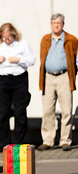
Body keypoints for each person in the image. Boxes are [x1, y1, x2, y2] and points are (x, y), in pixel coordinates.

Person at [0, 23, 35, 153]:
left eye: (9, 38)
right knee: (3, 113)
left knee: (20, 112)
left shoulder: (22, 43)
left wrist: (18, 59)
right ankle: (3, 143)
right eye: (4, 38)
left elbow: (31, 60)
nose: (7, 40)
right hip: (4, 79)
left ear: (13, 35)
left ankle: (19, 143)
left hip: (19, 78)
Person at [38, 13, 78, 151]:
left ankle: (65, 140)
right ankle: (47, 141)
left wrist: (73, 74)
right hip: (48, 77)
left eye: (58, 23)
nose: (56, 25)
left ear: (63, 25)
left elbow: (76, 60)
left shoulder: (71, 40)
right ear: (51, 24)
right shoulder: (45, 39)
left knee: (66, 110)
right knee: (47, 110)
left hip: (64, 77)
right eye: (54, 22)